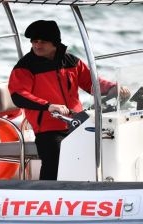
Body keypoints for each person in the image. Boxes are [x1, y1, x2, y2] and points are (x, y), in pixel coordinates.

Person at [8, 20, 130, 180]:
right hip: (48, 129)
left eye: (43, 41)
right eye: (34, 41)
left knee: (101, 150)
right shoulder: (25, 66)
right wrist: (49, 106)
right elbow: (18, 95)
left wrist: (114, 88)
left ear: (55, 43)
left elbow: (91, 83)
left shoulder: (72, 61)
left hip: (78, 122)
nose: (37, 45)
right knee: (54, 159)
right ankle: (47, 197)